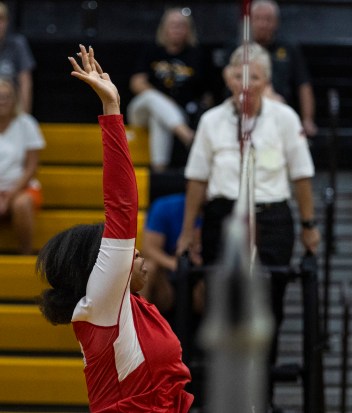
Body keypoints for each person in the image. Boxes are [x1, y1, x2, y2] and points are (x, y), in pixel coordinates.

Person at [36, 45, 193, 412]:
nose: (137, 253)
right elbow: (122, 207)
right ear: (99, 269)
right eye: (128, 251)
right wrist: (112, 110)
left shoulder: (128, 306)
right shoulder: (104, 302)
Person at [177, 42, 320, 411]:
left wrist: (308, 224)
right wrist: (187, 230)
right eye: (239, 75)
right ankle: (215, 397)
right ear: (227, 78)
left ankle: (263, 399)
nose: (245, 83)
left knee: (269, 305)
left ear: (266, 81)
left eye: (254, 76)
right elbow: (196, 179)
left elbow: (302, 175)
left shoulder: (285, 118)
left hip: (272, 217)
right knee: (218, 303)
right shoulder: (210, 120)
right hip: (221, 218)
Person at [128, 7, 213, 172]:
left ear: (189, 30)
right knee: (151, 99)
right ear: (164, 28)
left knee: (158, 117)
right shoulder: (151, 49)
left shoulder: (196, 55)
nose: (177, 29)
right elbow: (137, 83)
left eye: (181, 25)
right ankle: (187, 135)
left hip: (176, 114)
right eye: (173, 25)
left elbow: (206, 92)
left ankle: (159, 169)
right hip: (141, 111)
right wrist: (165, 101)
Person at [249, 0, 318, 137]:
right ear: (250, 21)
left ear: (276, 22)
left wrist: (307, 120)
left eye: (268, 19)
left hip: (283, 115)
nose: (263, 24)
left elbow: (303, 84)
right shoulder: (239, 48)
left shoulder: (289, 48)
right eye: (258, 19)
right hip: (247, 116)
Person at [0, 78, 44, 254]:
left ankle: (25, 255)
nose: (2, 101)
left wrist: (9, 196)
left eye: (6, 97)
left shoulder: (27, 123)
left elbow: (31, 167)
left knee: (22, 204)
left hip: (22, 187)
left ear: (14, 99)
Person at [141, 192, 203, 317]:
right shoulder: (165, 206)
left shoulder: (219, 212)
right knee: (147, 267)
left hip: (201, 276)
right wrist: (174, 264)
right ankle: (137, 326)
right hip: (165, 279)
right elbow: (148, 248)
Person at [0, 2, 35, 114]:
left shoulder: (17, 44)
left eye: (0, 19)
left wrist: (24, 115)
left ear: (7, 22)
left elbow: (25, 82)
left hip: (12, 108)